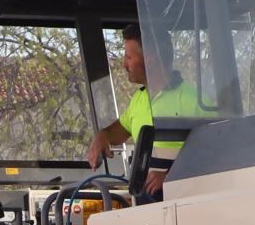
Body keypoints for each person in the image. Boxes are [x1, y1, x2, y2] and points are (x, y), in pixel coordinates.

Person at [85, 25, 216, 200]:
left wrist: (171, 176)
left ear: (150, 60)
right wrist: (103, 135)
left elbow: (214, 151)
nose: (124, 64)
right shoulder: (139, 99)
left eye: (128, 57)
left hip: (185, 205)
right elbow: (123, 128)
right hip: (146, 204)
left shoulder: (193, 101)